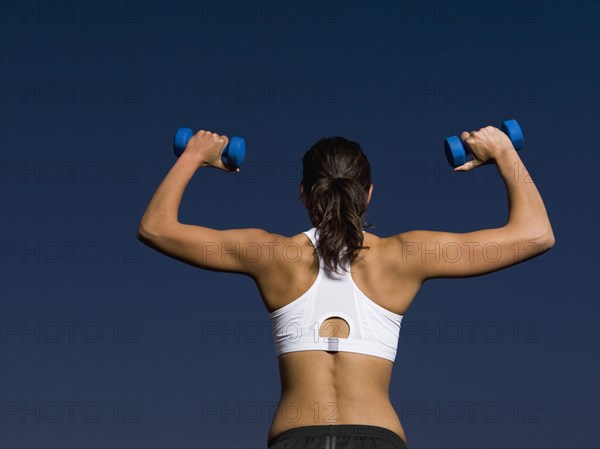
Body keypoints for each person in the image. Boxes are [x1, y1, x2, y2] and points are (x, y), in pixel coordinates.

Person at [137, 127, 555, 449]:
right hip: (378, 438)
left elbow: (156, 228)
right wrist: (503, 151)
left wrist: (194, 154)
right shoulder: (406, 255)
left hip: (294, 438)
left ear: (304, 194)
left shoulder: (269, 255)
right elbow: (535, 234)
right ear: (368, 193)